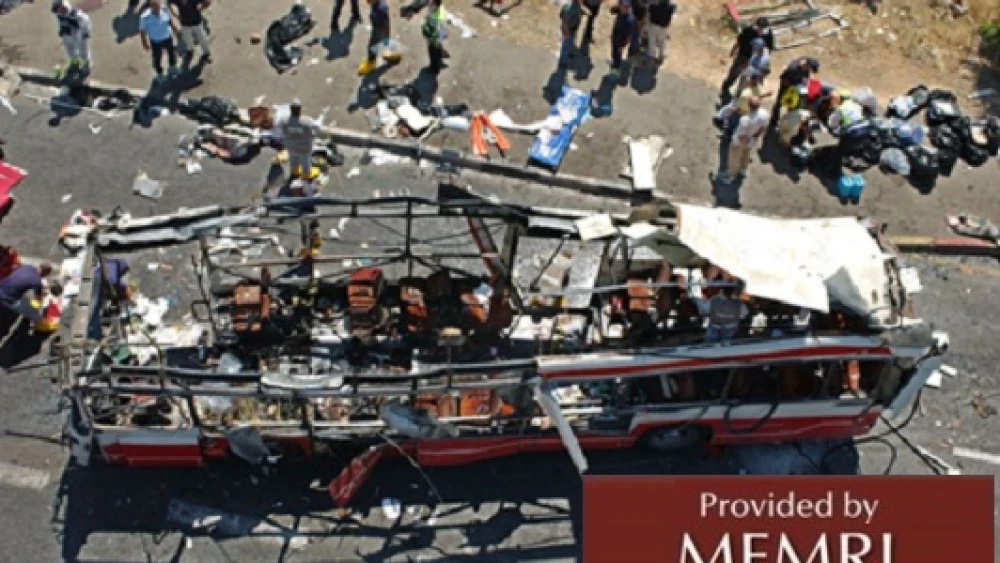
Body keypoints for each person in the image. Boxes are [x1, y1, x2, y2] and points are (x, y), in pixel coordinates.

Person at [719, 17, 773, 102]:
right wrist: (733, 50)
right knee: (733, 73)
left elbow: (769, 48)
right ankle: (725, 89)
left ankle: (739, 96)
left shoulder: (768, 34)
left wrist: (763, 61)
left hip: (756, 60)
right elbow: (739, 41)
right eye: (759, 28)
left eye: (762, 29)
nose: (760, 31)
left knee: (747, 79)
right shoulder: (748, 30)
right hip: (743, 55)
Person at [717, 97, 769, 184]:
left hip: (740, 142)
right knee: (746, 155)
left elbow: (741, 136)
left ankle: (730, 176)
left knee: (734, 158)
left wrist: (742, 143)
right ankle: (743, 170)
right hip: (752, 140)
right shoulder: (765, 114)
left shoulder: (745, 119)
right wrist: (753, 138)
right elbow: (763, 129)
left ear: (749, 105)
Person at [140, 0, 180, 82]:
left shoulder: (164, 9)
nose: (157, 9)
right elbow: (142, 31)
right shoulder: (145, 17)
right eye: (155, 7)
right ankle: (159, 74)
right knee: (157, 57)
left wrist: (175, 30)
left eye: (158, 7)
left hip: (167, 37)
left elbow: (169, 21)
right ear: (151, 7)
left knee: (172, 53)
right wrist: (144, 42)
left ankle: (172, 67)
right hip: (156, 41)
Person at [771, 56, 817, 127]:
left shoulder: (806, 70)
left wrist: (804, 83)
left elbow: (805, 78)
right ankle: (774, 120)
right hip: (786, 88)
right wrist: (793, 86)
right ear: (807, 65)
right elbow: (783, 80)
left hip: (796, 88)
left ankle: (787, 121)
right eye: (811, 69)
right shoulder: (793, 68)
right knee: (779, 103)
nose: (810, 71)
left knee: (793, 105)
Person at [279, 100, 318, 178]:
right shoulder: (307, 121)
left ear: (290, 109)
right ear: (300, 109)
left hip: (291, 146)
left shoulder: (284, 120)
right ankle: (306, 174)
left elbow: (280, 129)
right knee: (305, 161)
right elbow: (317, 128)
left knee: (293, 159)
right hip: (304, 148)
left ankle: (294, 171)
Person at [52, 0, 92, 76]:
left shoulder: (77, 14)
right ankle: (74, 63)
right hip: (67, 33)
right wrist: (61, 30)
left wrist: (86, 32)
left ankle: (86, 66)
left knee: (83, 50)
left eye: (60, 9)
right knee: (69, 48)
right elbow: (59, 22)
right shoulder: (58, 14)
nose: (59, 11)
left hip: (80, 33)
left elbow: (86, 21)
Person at [358, 0, 391, 76]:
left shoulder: (381, 9)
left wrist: (387, 37)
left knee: (372, 47)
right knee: (382, 43)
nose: (367, 1)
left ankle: (371, 63)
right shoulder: (376, 4)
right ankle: (389, 54)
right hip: (377, 27)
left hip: (379, 30)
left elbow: (386, 24)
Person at [609, 1, 636, 75]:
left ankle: (616, 70)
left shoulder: (630, 20)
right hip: (616, 35)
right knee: (614, 51)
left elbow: (629, 36)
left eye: (623, 7)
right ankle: (613, 62)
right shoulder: (621, 12)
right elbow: (612, 10)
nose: (621, 8)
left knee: (618, 55)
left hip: (621, 40)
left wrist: (623, 46)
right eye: (621, 6)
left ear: (627, 8)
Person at [421, 0, 448, 74]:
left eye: (431, 2)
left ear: (435, 4)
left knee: (434, 52)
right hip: (434, 37)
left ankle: (435, 68)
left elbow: (438, 30)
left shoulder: (437, 17)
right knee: (435, 50)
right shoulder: (435, 10)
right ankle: (436, 64)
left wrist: (428, 34)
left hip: (434, 38)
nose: (429, 3)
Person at [558, 0, 582, 69]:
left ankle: (569, 53)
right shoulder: (569, 8)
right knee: (566, 45)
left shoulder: (576, 5)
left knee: (570, 42)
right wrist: (566, 32)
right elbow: (565, 22)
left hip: (573, 29)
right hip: (568, 30)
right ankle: (563, 62)